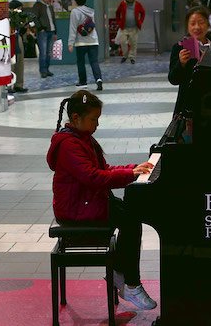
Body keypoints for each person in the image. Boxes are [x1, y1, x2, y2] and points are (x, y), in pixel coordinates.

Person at [47, 90, 157, 310]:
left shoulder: (83, 138)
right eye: (93, 119)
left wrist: (133, 168)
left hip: (86, 202)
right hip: (76, 209)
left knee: (130, 215)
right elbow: (94, 177)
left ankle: (119, 272)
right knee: (130, 221)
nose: (97, 124)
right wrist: (131, 174)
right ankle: (130, 284)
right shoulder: (70, 145)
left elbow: (103, 169)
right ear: (76, 118)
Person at [169, 6, 211, 115]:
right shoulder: (180, 47)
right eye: (192, 23)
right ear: (187, 26)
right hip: (189, 107)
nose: (197, 27)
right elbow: (173, 79)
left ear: (208, 25)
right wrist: (181, 64)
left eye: (201, 22)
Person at [68, 0, 103, 91]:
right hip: (93, 41)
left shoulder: (75, 12)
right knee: (94, 61)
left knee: (81, 62)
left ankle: (83, 82)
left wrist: (70, 43)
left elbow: (73, 28)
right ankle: (98, 79)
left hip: (81, 42)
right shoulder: (91, 11)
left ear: (75, 1)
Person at [32, 0, 57, 78]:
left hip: (51, 30)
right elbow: (34, 17)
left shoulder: (49, 6)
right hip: (43, 32)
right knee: (43, 52)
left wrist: (55, 32)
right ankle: (43, 70)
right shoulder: (38, 5)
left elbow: (53, 19)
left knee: (49, 52)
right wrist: (40, 28)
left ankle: (47, 69)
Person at [116, 0, 145, 64]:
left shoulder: (137, 4)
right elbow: (117, 13)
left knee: (133, 43)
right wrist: (119, 22)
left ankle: (132, 57)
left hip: (134, 28)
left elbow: (143, 12)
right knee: (123, 42)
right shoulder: (122, 4)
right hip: (124, 28)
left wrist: (140, 21)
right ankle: (125, 56)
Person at [8, 0, 29, 93]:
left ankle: (19, 84)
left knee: (20, 62)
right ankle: (9, 85)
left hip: (18, 38)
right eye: (18, 8)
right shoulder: (8, 16)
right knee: (11, 63)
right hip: (10, 38)